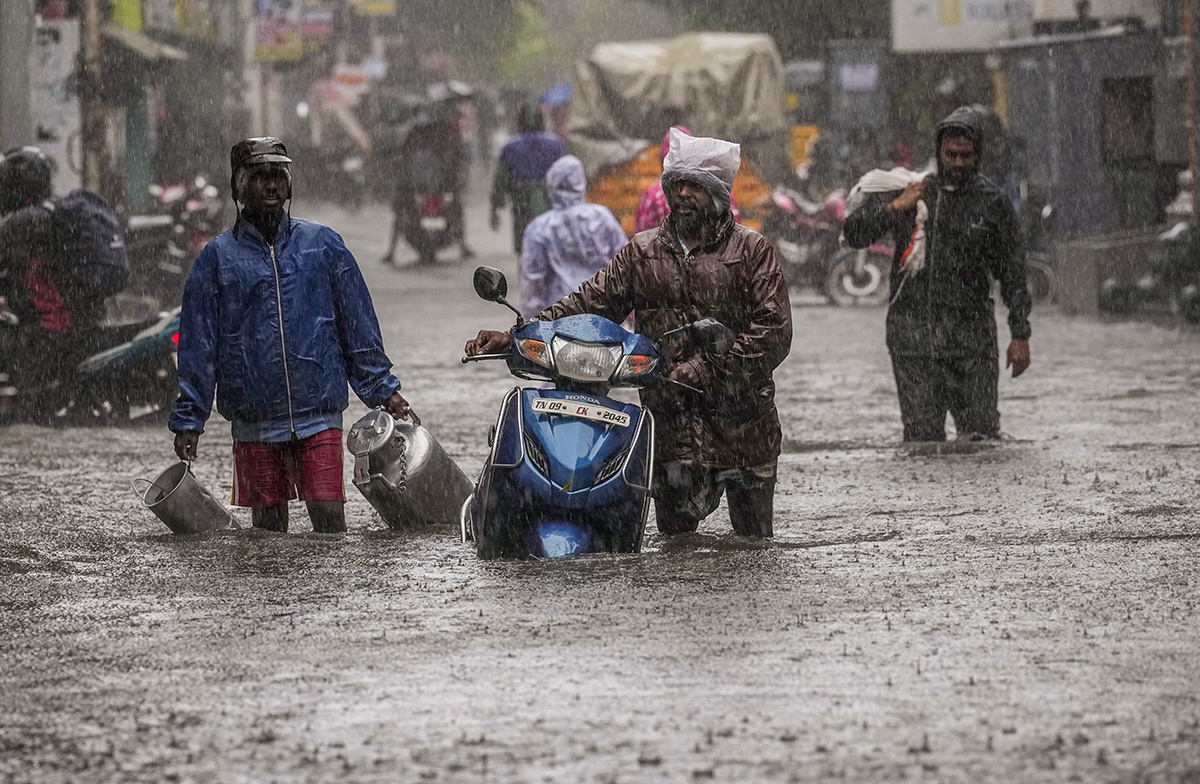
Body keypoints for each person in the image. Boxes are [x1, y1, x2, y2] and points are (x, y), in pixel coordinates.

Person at [467, 130, 792, 537]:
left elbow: (773, 330)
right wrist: (520, 334)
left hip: (745, 427)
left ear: (719, 194)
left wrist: (707, 369)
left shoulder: (752, 251)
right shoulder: (642, 252)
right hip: (671, 428)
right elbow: (589, 302)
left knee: (754, 549)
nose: (684, 194)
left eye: (696, 186)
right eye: (678, 185)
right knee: (675, 553)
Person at [169, 137, 410, 534]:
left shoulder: (324, 246)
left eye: (278, 176)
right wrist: (189, 420)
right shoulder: (216, 259)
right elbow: (199, 347)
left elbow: (358, 328)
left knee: (331, 524)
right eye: (260, 177)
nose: (271, 186)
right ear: (239, 187)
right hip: (255, 424)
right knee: (267, 537)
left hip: (319, 417)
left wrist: (384, 389)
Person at [843, 106, 1032, 442]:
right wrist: (895, 208)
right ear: (939, 153)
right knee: (921, 442)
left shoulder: (993, 204)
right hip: (914, 343)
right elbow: (854, 234)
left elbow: (1013, 273)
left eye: (966, 155)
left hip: (971, 345)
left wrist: (1020, 335)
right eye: (951, 155)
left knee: (981, 438)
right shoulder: (913, 193)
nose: (958, 163)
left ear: (978, 156)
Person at [0, 146, 121, 410]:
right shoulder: (53, 211)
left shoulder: (22, 223)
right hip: (84, 321)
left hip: (54, 329)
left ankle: (28, 406)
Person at [519, 155, 627, 319]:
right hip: (604, 314)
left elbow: (533, 282)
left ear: (552, 185)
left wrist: (530, 321)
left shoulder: (539, 228)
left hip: (558, 318)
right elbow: (625, 263)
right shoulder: (602, 217)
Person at [382, 88, 474, 265]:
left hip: (435, 181)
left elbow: (458, 156)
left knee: (455, 207)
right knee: (402, 209)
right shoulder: (429, 130)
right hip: (422, 181)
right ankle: (463, 246)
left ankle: (391, 252)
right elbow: (402, 154)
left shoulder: (436, 130)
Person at [489, 102, 566, 255]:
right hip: (550, 210)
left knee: (525, 254)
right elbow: (567, 178)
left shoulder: (510, 149)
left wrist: (495, 209)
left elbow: (500, 181)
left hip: (522, 212)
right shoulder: (556, 146)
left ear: (520, 122)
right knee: (552, 252)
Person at [634, 127, 739, 233]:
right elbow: (736, 237)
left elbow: (642, 242)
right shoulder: (718, 192)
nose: (684, 193)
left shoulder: (652, 197)